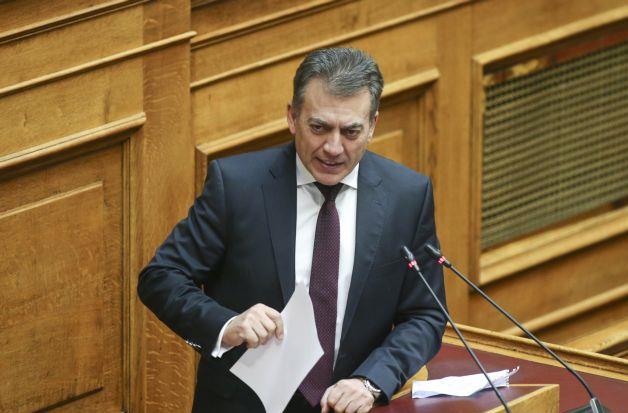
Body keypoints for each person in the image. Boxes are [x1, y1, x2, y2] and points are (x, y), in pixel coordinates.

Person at [138, 47, 446, 413]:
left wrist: (371, 380)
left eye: (351, 131)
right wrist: (227, 324)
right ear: (292, 117)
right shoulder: (237, 186)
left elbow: (425, 314)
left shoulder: (406, 196)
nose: (333, 148)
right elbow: (161, 277)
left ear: (372, 125)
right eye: (319, 128)